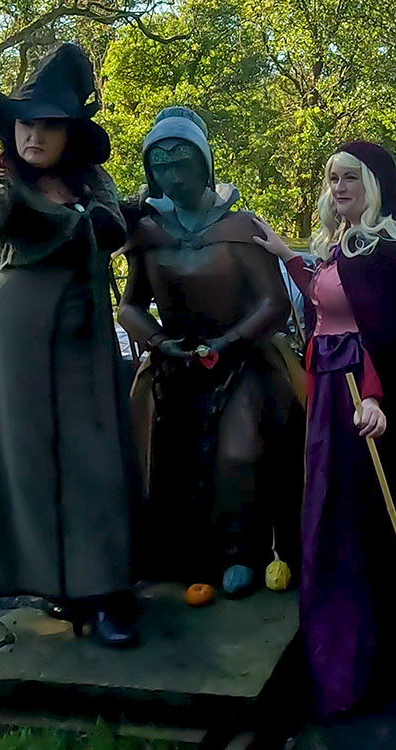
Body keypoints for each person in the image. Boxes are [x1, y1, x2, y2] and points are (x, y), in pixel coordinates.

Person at [0, 43, 139, 647]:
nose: (34, 135)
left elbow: (107, 226)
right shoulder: (6, 182)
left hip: (82, 340)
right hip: (17, 335)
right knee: (25, 461)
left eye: (49, 123)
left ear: (70, 133)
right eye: (27, 122)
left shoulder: (91, 184)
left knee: (91, 459)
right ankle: (55, 584)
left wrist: (107, 219)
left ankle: (103, 594)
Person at [252, 141, 396, 717]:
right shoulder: (345, 247)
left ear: (375, 184)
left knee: (374, 528)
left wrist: (382, 399)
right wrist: (288, 257)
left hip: (368, 408)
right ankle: (341, 658)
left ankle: (393, 669)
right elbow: (327, 305)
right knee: (334, 521)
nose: (338, 188)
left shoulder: (389, 252)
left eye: (350, 178)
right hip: (333, 403)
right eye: (332, 179)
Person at [118, 107, 304, 598]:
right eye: (160, 166)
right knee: (163, 457)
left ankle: (240, 552)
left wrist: (228, 341)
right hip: (173, 363)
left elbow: (274, 301)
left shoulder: (241, 226)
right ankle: (183, 556)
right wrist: (160, 341)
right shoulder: (146, 233)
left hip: (240, 357)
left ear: (205, 164)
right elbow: (130, 306)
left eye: (182, 162)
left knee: (239, 453)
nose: (172, 175)